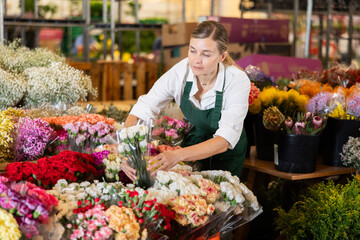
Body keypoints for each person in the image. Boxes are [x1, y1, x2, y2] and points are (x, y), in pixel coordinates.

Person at [122, 20, 250, 180]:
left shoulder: (236, 80)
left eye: (206, 54)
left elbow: (224, 140)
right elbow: (145, 107)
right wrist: (128, 150)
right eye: (192, 51)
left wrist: (177, 155)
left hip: (227, 154)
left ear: (222, 56)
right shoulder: (181, 71)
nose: (196, 60)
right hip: (193, 143)